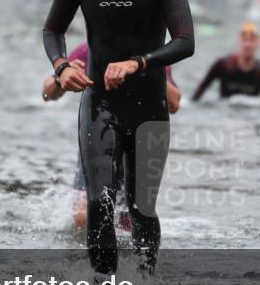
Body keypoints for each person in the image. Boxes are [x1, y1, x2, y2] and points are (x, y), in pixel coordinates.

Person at [42, 0, 194, 275]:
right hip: (101, 105)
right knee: (99, 202)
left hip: (149, 106)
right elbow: (52, 30)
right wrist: (62, 66)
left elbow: (186, 43)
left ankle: (146, 283)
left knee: (141, 208)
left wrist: (137, 63)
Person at [41, 42, 182, 232]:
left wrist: (143, 65)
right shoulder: (87, 50)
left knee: (130, 225)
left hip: (138, 142)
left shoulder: (152, 52)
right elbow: (47, 94)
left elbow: (174, 103)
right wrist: (61, 77)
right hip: (97, 135)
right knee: (82, 218)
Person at [192, 22, 260, 101]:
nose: (248, 44)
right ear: (239, 41)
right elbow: (197, 95)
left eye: (252, 40)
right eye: (244, 39)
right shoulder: (222, 65)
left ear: (258, 43)